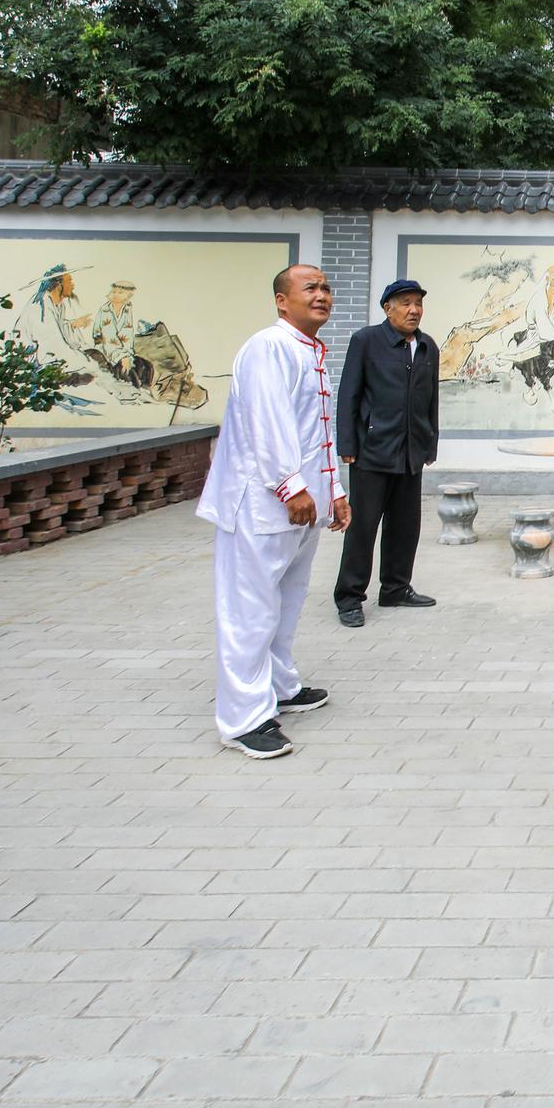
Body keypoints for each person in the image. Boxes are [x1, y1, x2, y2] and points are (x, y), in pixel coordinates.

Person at [194, 265, 349, 759]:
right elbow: (267, 423)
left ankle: (281, 686)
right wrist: (289, 486)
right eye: (311, 289)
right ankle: (242, 719)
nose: (322, 295)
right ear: (282, 301)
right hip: (264, 504)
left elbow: (317, 433)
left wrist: (334, 492)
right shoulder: (268, 347)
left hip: (301, 506)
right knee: (250, 610)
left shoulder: (312, 351)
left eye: (325, 288)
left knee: (287, 601)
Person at [334, 278, 440, 627]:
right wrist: (347, 444)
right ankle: (349, 597)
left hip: (411, 451)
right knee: (363, 527)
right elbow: (349, 393)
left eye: (418, 304)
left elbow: (431, 401)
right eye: (406, 303)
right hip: (372, 452)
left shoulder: (427, 347)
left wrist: (430, 442)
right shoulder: (366, 341)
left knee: (406, 525)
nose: (414, 310)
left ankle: (395, 587)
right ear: (387, 308)